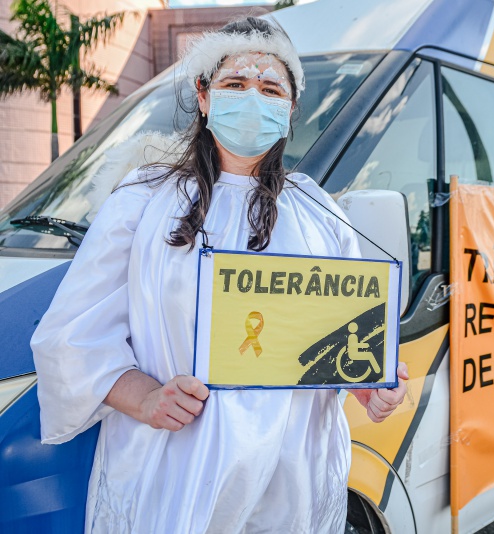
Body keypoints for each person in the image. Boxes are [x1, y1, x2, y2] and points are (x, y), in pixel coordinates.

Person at [30, 16, 408, 533]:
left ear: (290, 109)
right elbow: (70, 337)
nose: (253, 98)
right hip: (171, 477)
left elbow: (345, 346)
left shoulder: (320, 214)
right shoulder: (142, 203)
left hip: (292, 484)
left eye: (270, 88)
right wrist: (143, 397)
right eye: (235, 84)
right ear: (204, 97)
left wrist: (373, 385)